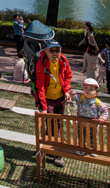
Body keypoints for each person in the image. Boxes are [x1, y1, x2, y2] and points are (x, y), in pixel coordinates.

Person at [35, 39, 73, 168]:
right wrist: (44, 107)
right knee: (53, 125)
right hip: (48, 99)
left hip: (60, 98)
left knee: (56, 125)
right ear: (46, 51)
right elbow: (40, 86)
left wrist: (67, 91)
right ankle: (58, 154)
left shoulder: (63, 60)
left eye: (57, 50)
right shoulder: (41, 64)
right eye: (52, 50)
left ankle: (45, 148)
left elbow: (68, 76)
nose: (55, 53)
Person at [74, 77, 108, 156]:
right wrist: (72, 94)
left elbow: (105, 110)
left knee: (92, 138)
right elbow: (74, 98)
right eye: (85, 88)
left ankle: (92, 149)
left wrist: (102, 117)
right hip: (81, 124)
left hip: (93, 125)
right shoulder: (81, 98)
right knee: (81, 136)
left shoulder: (97, 102)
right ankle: (81, 148)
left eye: (91, 89)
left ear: (96, 93)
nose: (87, 91)